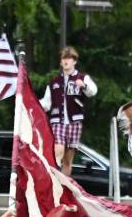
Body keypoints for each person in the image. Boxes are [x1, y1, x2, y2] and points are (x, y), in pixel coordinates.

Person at [40, 46, 97, 177]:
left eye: (69, 58)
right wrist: (33, 104)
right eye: (63, 58)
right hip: (57, 121)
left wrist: (84, 86)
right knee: (57, 152)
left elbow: (93, 92)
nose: (66, 61)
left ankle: (64, 187)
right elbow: (46, 103)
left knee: (68, 160)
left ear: (74, 61)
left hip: (74, 122)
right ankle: (53, 183)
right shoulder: (54, 82)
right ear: (60, 62)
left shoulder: (82, 78)